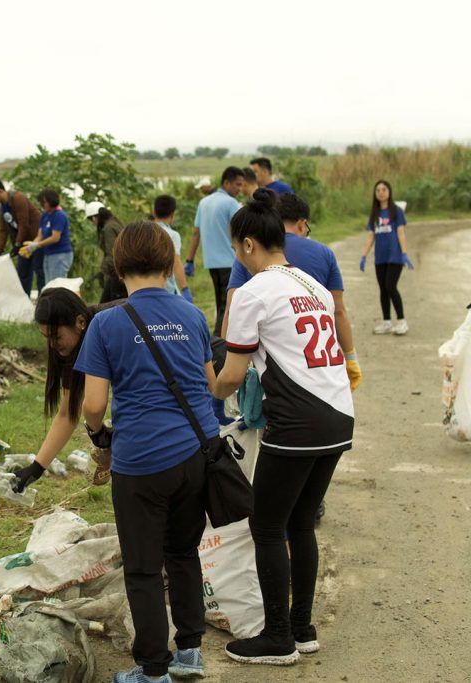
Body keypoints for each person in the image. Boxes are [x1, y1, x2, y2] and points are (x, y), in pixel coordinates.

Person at [214, 189, 354, 666]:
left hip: (298, 421)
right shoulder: (309, 283)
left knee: (267, 524)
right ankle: (302, 626)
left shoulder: (254, 291)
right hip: (338, 413)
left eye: (236, 249)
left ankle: (277, 637)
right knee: (300, 521)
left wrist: (207, 388)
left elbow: (232, 374)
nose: (238, 257)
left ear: (249, 244)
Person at [76, 221, 219, 683]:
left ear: (119, 268)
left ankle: (153, 669)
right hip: (197, 455)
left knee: (142, 567)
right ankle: (190, 653)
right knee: (183, 554)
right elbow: (211, 384)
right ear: (166, 263)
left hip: (140, 463)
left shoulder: (107, 323)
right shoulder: (193, 316)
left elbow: (94, 405)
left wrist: (99, 436)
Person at [223, 192, 362, 391]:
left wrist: (229, 361)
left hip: (279, 380)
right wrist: (350, 357)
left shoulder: (249, 256)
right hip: (322, 373)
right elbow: (338, 310)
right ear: (301, 223)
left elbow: (230, 309)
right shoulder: (324, 255)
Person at [10, 287, 95, 493]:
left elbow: (95, 406)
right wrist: (37, 467)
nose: (51, 344)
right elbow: (67, 414)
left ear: (80, 322)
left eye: (56, 337)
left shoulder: (106, 331)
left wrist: (101, 437)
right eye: (45, 336)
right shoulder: (74, 348)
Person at [186, 166, 244, 334]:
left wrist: (189, 260)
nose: (239, 189)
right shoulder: (231, 203)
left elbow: (196, 233)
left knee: (221, 303)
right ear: (227, 183)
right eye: (237, 185)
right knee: (228, 306)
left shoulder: (204, 202)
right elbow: (241, 231)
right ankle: (220, 340)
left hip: (211, 263)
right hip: (230, 262)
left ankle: (219, 337)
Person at [359, 179, 413, 335]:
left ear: (389, 192)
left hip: (395, 257)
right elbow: (370, 237)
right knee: (383, 289)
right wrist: (364, 256)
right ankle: (387, 322)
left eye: (384, 189)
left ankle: (402, 321)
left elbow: (401, 233)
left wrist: (404, 254)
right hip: (380, 257)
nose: (381, 192)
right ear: (375, 194)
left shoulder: (396, 211)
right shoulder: (374, 214)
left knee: (391, 286)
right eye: (378, 190)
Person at [0, 178, 44, 295]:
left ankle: (43, 299)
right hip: (22, 242)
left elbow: (24, 224)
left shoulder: (18, 198)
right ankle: (24, 300)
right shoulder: (2, 207)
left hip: (36, 240)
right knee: (23, 273)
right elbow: (3, 230)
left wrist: (17, 244)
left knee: (39, 271)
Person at [21, 188, 73, 284]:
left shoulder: (59, 215)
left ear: (51, 201)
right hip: (49, 254)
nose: (42, 205)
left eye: (44, 202)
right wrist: (32, 245)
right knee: (49, 283)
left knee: (57, 283)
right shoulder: (45, 215)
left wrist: (38, 245)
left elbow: (55, 237)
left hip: (60, 254)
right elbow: (40, 235)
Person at [152, 195, 191, 303]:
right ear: (173, 214)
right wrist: (185, 287)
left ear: (154, 212)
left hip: (144, 285)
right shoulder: (172, 235)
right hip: (166, 287)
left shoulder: (144, 232)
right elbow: (176, 261)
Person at [85, 201, 126, 303]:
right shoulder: (115, 223)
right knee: (104, 305)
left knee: (111, 306)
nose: (93, 223)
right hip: (121, 271)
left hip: (118, 273)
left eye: (91, 220)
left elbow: (112, 254)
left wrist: (101, 272)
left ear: (95, 217)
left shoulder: (108, 228)